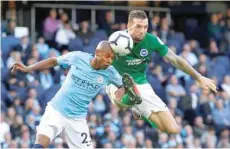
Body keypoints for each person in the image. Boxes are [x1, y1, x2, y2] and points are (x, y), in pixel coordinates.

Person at [106, 10, 217, 134]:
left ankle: (139, 111)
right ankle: (130, 99)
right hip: (116, 79)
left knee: (173, 129)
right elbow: (97, 61)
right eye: (138, 26)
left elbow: (175, 59)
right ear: (128, 26)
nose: (142, 30)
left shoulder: (151, 40)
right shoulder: (116, 40)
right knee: (119, 100)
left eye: (145, 27)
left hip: (140, 83)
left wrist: (198, 77)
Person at [11, 41, 135, 148]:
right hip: (56, 110)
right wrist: (29, 68)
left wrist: (122, 93)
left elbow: (122, 87)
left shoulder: (110, 72)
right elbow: (54, 61)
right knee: (41, 143)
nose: (109, 61)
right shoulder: (78, 57)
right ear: (97, 53)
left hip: (77, 119)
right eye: (107, 56)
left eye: (112, 58)